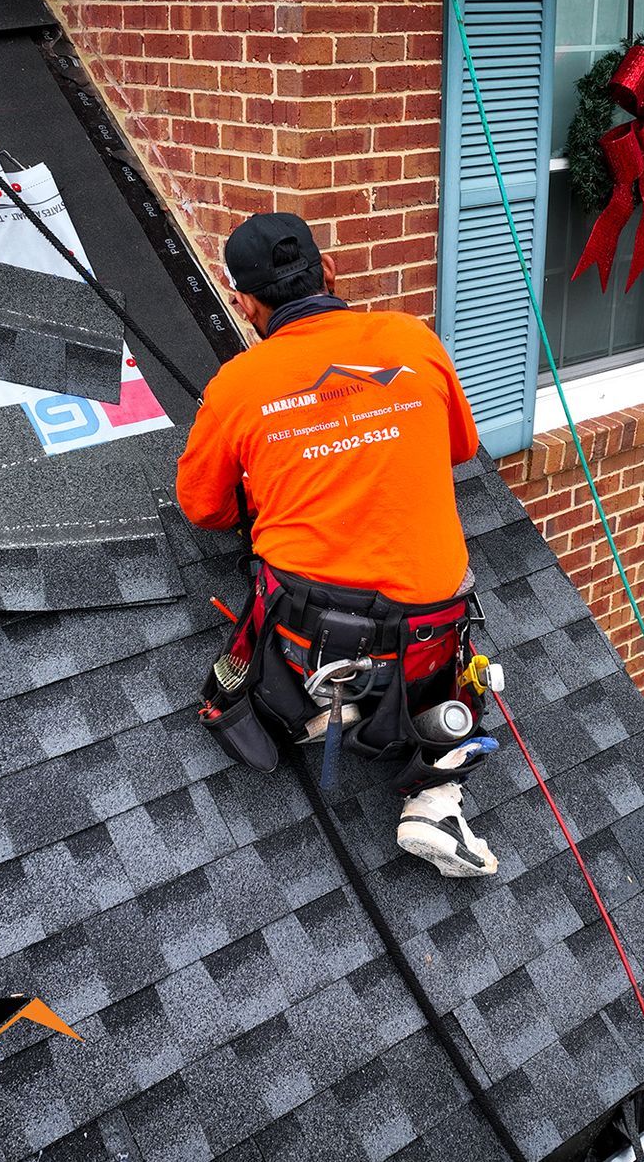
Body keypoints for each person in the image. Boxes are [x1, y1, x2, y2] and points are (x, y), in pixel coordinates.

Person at [178, 212, 499, 878]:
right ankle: (434, 795)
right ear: (329, 272)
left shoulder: (237, 387)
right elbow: (460, 447)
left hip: (310, 645)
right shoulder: (412, 338)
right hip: (425, 640)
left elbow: (204, 510)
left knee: (273, 607)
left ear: (244, 302)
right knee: (454, 674)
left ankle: (318, 713)